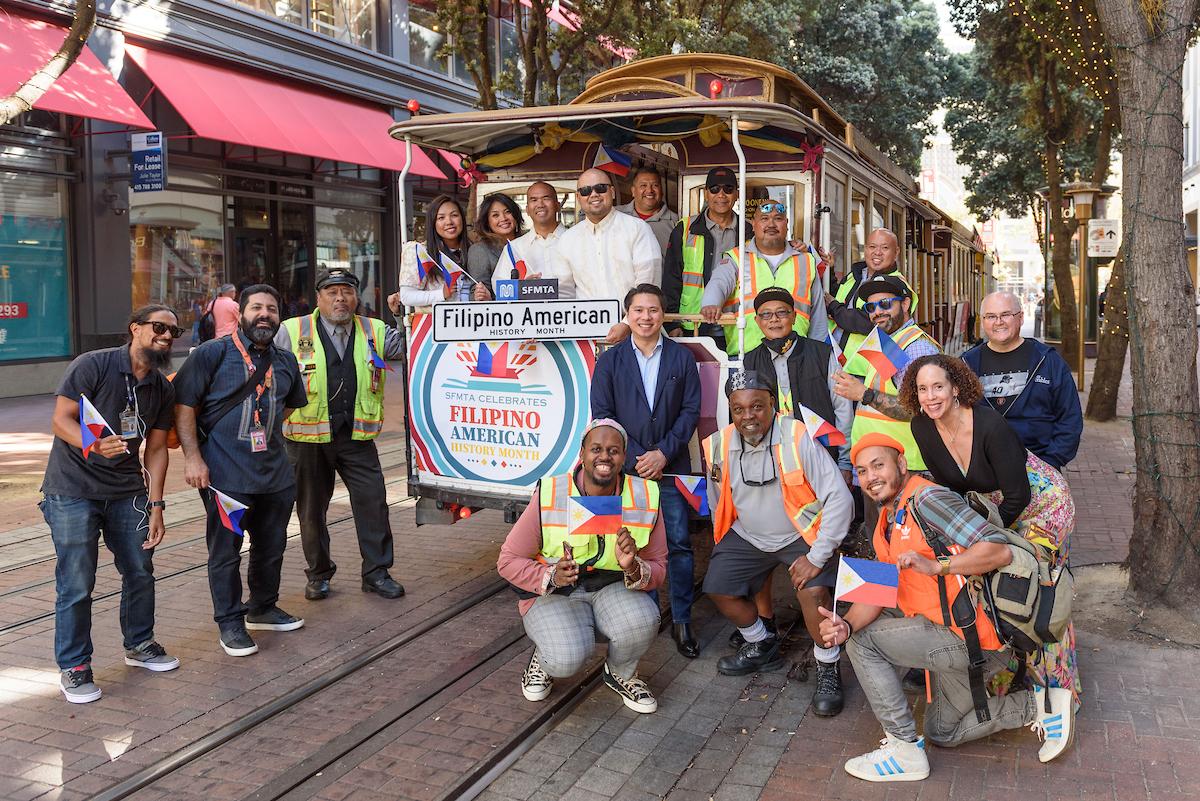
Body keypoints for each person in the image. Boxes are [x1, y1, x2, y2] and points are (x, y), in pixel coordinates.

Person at [818, 432, 1074, 783]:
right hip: (947, 637)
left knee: (863, 644)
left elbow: (998, 550)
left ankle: (904, 748)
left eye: (878, 465)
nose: (870, 477)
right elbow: (877, 593)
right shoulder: (884, 521)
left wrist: (938, 566)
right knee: (942, 731)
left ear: (901, 464)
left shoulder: (928, 499)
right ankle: (1043, 706)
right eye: (862, 471)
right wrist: (844, 624)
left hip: (969, 636)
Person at [898, 353, 1080, 703]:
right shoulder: (921, 426)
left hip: (1041, 506)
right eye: (923, 389)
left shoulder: (990, 426)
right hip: (994, 510)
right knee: (999, 590)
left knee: (1039, 590)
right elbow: (951, 487)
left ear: (955, 387)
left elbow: (1019, 495)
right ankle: (1005, 679)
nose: (931, 396)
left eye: (938, 386)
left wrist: (983, 541)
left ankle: (1057, 692)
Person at [41, 306, 183, 703]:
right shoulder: (93, 364)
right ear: (134, 328)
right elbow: (60, 419)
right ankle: (74, 666)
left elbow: (156, 449)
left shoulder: (161, 387)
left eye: (174, 330)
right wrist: (91, 443)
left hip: (127, 492)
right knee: (77, 582)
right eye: (159, 327)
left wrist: (156, 504)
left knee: (140, 570)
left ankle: (140, 644)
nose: (167, 336)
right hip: (73, 489)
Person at [701, 370, 853, 716]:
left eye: (757, 406)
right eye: (738, 410)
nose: (748, 417)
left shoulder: (797, 436)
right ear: (730, 410)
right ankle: (762, 643)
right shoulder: (718, 444)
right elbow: (715, 499)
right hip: (748, 536)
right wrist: (723, 540)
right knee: (717, 586)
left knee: (813, 595)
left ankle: (828, 667)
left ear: (773, 403)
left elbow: (841, 499)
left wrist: (817, 555)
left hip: (801, 536)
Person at [174, 284, 309, 657]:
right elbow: (184, 406)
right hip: (225, 477)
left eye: (271, 308)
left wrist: (260, 429)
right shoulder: (212, 354)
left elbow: (289, 406)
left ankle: (262, 608)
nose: (264, 314)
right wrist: (192, 458)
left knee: (272, 546)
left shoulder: (285, 360)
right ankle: (230, 623)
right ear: (241, 313)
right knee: (226, 552)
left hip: (275, 476)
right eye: (256, 308)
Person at [496, 420, 667, 714]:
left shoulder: (644, 496)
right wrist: (551, 575)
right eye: (596, 449)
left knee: (644, 620)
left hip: (611, 587)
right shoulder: (552, 493)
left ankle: (621, 673)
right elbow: (508, 561)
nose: (604, 457)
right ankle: (545, 657)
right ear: (582, 454)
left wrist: (633, 567)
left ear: (623, 456)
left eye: (613, 451)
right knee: (568, 655)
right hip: (555, 594)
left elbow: (660, 566)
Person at [732, 287, 853, 646]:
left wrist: (844, 460)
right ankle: (765, 618)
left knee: (825, 538)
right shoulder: (748, 360)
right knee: (765, 539)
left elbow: (842, 407)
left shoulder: (822, 353)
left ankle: (829, 618)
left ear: (794, 316)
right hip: (771, 466)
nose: (774, 320)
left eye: (781, 313)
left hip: (819, 460)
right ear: (757, 321)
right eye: (766, 315)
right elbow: (740, 417)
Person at [275, 268, 405, 602]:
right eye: (331, 292)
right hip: (306, 439)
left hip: (356, 435)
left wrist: (403, 313)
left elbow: (409, 345)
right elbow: (264, 366)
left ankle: (376, 573)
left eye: (346, 291)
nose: (339, 299)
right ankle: (318, 574)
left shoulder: (373, 328)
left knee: (374, 501)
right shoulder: (291, 330)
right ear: (318, 297)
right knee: (311, 510)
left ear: (356, 297)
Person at [590, 284, 701, 657]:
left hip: (670, 470)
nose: (646, 317)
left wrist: (663, 455)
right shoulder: (610, 360)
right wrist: (639, 457)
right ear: (628, 314)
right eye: (638, 310)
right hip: (630, 473)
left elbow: (690, 412)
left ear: (663, 315)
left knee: (680, 546)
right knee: (636, 546)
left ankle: (683, 620)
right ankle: (647, 616)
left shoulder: (681, 359)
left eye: (653, 310)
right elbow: (603, 415)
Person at [961, 291, 1083, 471]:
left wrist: (1051, 462)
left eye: (1006, 315)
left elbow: (1070, 418)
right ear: (983, 321)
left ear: (1021, 317)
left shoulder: (1047, 361)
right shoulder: (966, 364)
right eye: (991, 316)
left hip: (1040, 467)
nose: (998, 322)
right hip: (984, 471)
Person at [699, 200, 828, 357]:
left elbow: (818, 316)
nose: (771, 224)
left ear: (787, 224)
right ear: (753, 224)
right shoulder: (736, 258)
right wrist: (711, 303)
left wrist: (817, 355)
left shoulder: (806, 260)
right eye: (764, 218)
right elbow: (718, 283)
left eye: (778, 218)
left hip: (797, 357)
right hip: (747, 358)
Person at [662, 166, 746, 349]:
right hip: (693, 323)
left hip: (737, 324)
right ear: (706, 194)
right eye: (715, 189)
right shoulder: (684, 229)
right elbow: (671, 277)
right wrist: (672, 323)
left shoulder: (749, 231)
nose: (721, 195)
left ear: (737, 194)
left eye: (728, 189)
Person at [560, 168, 662, 302]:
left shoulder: (637, 228)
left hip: (632, 321)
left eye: (601, 188)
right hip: (584, 321)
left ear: (612, 192)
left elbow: (648, 285)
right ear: (578, 198)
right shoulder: (567, 239)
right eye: (586, 191)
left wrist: (625, 322)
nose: (594, 194)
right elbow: (564, 292)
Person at [825, 228, 919, 359]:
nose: (877, 252)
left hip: (864, 369)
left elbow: (867, 321)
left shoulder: (896, 284)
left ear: (896, 252)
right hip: (833, 360)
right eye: (872, 247)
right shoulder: (853, 276)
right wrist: (829, 271)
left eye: (885, 248)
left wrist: (833, 307)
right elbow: (839, 299)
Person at [393, 195, 486, 309]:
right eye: (441, 218)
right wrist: (441, 294)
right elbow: (406, 296)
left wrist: (484, 296)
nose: (449, 222)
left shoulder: (476, 251)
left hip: (473, 322)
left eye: (454, 215)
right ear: (433, 223)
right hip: (434, 324)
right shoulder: (420, 252)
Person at [490, 181, 574, 298]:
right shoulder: (514, 248)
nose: (540, 204)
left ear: (557, 205)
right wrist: (522, 288)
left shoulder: (576, 241)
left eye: (546, 198)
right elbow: (500, 290)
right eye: (534, 200)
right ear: (528, 210)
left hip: (572, 313)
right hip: (529, 314)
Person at [468, 193, 526, 300]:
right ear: (487, 222)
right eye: (495, 215)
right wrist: (484, 297)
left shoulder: (529, 242)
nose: (503, 218)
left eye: (508, 212)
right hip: (501, 313)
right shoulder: (480, 250)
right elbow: (476, 293)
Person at [616, 166, 679, 253]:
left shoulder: (676, 222)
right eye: (643, 185)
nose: (649, 190)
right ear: (633, 191)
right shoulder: (615, 215)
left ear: (662, 191)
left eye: (655, 185)